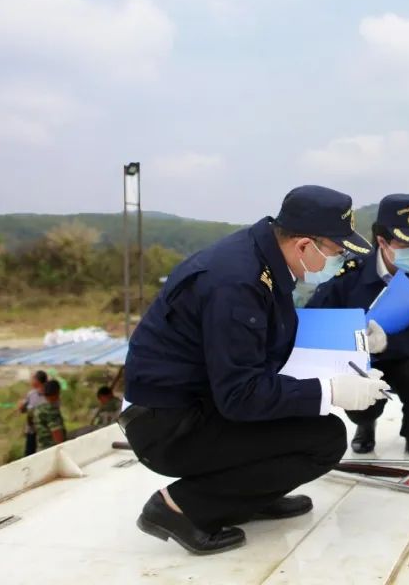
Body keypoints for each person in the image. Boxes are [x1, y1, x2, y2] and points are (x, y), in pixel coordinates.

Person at [121, 185, 391, 555]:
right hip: (169, 425)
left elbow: (268, 339)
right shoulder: (236, 283)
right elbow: (240, 395)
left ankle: (247, 497)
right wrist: (331, 390)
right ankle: (178, 507)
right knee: (323, 440)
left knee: (313, 427)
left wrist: (354, 342)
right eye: (337, 250)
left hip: (203, 401)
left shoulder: (262, 257)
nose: (341, 258)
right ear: (303, 245)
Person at [306, 194, 409, 456]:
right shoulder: (349, 273)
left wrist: (387, 343)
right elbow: (316, 319)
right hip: (360, 361)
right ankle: (365, 426)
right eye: (407, 243)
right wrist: (354, 340)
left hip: (405, 356)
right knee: (359, 406)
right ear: (382, 241)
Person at [19, 370, 48, 456]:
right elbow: (23, 410)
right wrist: (21, 407)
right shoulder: (31, 394)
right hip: (31, 432)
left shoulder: (49, 395)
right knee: (29, 455)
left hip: (45, 433)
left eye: (33, 379)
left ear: (37, 381)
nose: (31, 381)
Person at [33, 380, 66, 451]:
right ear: (57, 393)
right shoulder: (51, 411)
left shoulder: (39, 408)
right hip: (51, 450)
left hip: (40, 448)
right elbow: (57, 435)